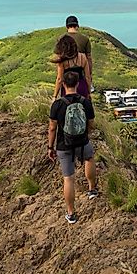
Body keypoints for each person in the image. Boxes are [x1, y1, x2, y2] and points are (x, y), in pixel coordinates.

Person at [47, 71, 98, 224]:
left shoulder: (57, 104)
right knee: (89, 158)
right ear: (77, 84)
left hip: (64, 145)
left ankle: (71, 213)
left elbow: (52, 128)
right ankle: (92, 190)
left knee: (68, 178)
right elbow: (91, 124)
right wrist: (85, 134)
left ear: (63, 85)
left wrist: (50, 147)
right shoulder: (85, 102)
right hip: (83, 142)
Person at [53, 34, 92, 98]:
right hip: (81, 85)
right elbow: (87, 77)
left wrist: (55, 96)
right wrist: (89, 92)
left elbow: (60, 79)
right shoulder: (82, 57)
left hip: (68, 88)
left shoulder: (62, 60)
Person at [64, 15, 93, 89]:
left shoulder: (61, 39)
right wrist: (89, 74)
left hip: (66, 75)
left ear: (67, 27)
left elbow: (58, 58)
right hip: (80, 75)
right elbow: (89, 58)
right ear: (77, 26)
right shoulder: (85, 39)